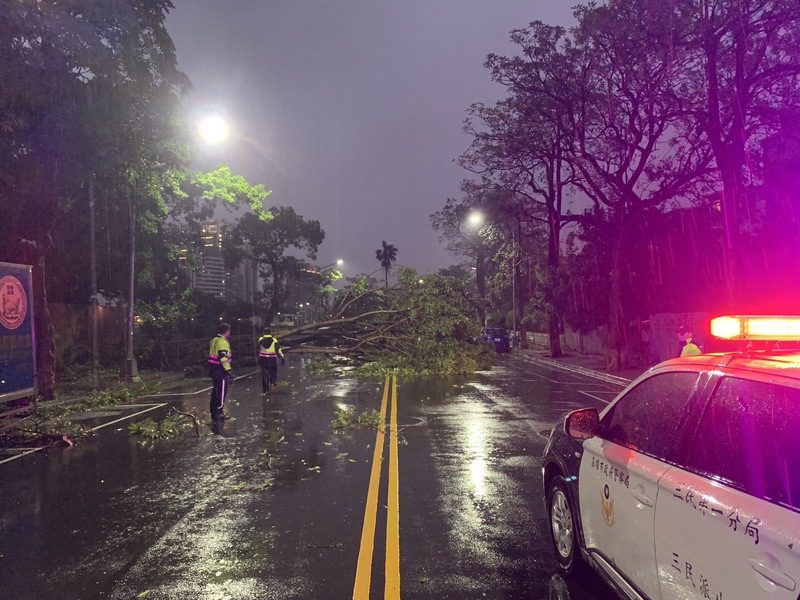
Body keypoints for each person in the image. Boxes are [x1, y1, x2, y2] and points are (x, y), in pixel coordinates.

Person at [208, 322, 233, 420]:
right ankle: (219, 412)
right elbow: (222, 358)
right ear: (227, 331)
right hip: (221, 370)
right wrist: (229, 371)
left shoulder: (213, 340)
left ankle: (214, 412)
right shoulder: (222, 342)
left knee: (216, 392)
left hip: (213, 368)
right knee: (221, 392)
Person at [257, 327, 285, 393]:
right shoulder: (274, 340)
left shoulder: (260, 340)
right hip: (272, 359)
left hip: (263, 359)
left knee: (264, 374)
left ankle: (265, 390)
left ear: (264, 333)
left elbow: (257, 348)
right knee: (273, 372)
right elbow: (278, 350)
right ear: (270, 333)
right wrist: (282, 357)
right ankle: (272, 383)